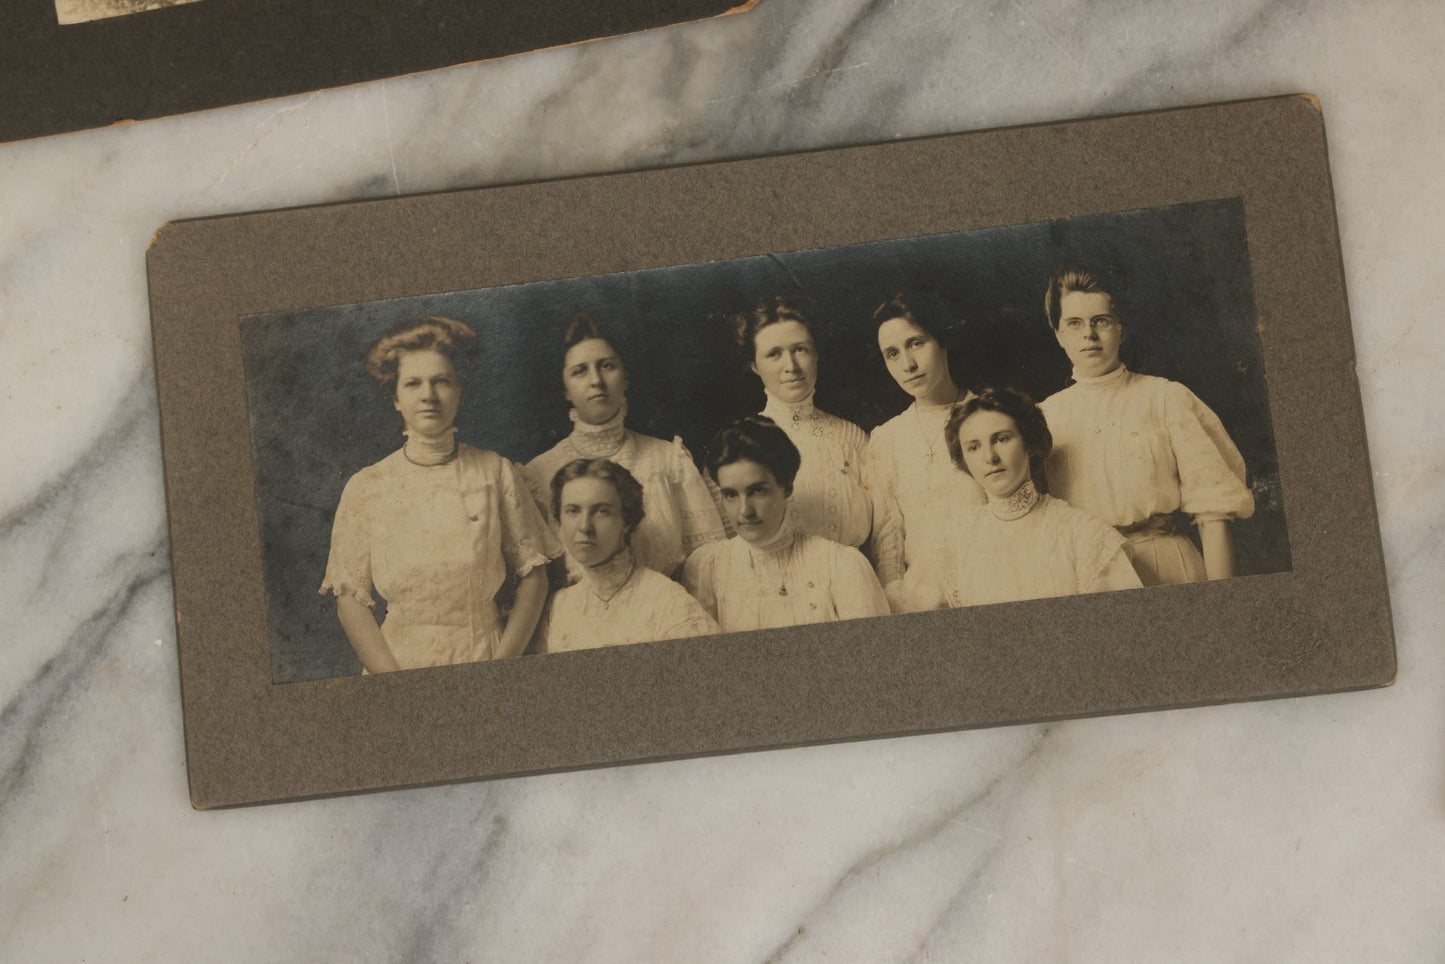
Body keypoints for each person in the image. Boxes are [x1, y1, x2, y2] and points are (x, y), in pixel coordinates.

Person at [320, 316, 561, 673]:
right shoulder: (367, 486)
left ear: (460, 391)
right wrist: (394, 682)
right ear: (395, 397)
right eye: (413, 383)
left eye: (441, 381)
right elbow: (350, 602)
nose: (428, 396)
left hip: (486, 656)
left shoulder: (495, 472)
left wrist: (501, 667)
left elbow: (534, 578)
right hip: (396, 664)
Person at [1038, 263, 1254, 586]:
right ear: (1058, 335)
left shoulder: (1165, 397)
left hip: (1166, 565)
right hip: (1086, 573)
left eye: (1101, 321)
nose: (1089, 334)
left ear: (1121, 329)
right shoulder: (1045, 416)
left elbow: (1213, 512)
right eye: (1074, 323)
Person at [524, 312, 728, 582]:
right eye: (580, 371)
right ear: (565, 389)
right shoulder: (538, 475)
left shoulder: (669, 460)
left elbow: (708, 565)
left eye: (607, 366)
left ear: (626, 377)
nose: (596, 380)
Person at [920, 388, 1142, 608]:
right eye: (974, 447)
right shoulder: (954, 541)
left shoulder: (1085, 535)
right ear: (964, 459)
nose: (990, 457)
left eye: (1002, 439)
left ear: (1029, 443)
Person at [684, 415, 889, 632]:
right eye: (731, 495)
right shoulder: (707, 568)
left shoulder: (841, 565)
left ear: (786, 488)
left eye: (757, 491)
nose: (745, 511)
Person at [866, 291, 987, 611]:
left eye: (916, 343)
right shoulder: (886, 439)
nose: (908, 365)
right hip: (918, 602)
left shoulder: (992, 417)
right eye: (892, 354)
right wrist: (899, 600)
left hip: (990, 587)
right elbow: (888, 538)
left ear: (942, 339)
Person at [536, 459, 718, 653]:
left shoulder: (669, 602)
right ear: (560, 519)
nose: (585, 526)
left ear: (627, 521)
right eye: (573, 511)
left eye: (602, 511)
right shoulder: (560, 606)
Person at [732, 295, 871, 548]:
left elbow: (886, 529)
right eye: (774, 354)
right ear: (754, 365)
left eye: (799, 349)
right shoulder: (737, 445)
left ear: (816, 353)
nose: (792, 366)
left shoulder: (851, 438)